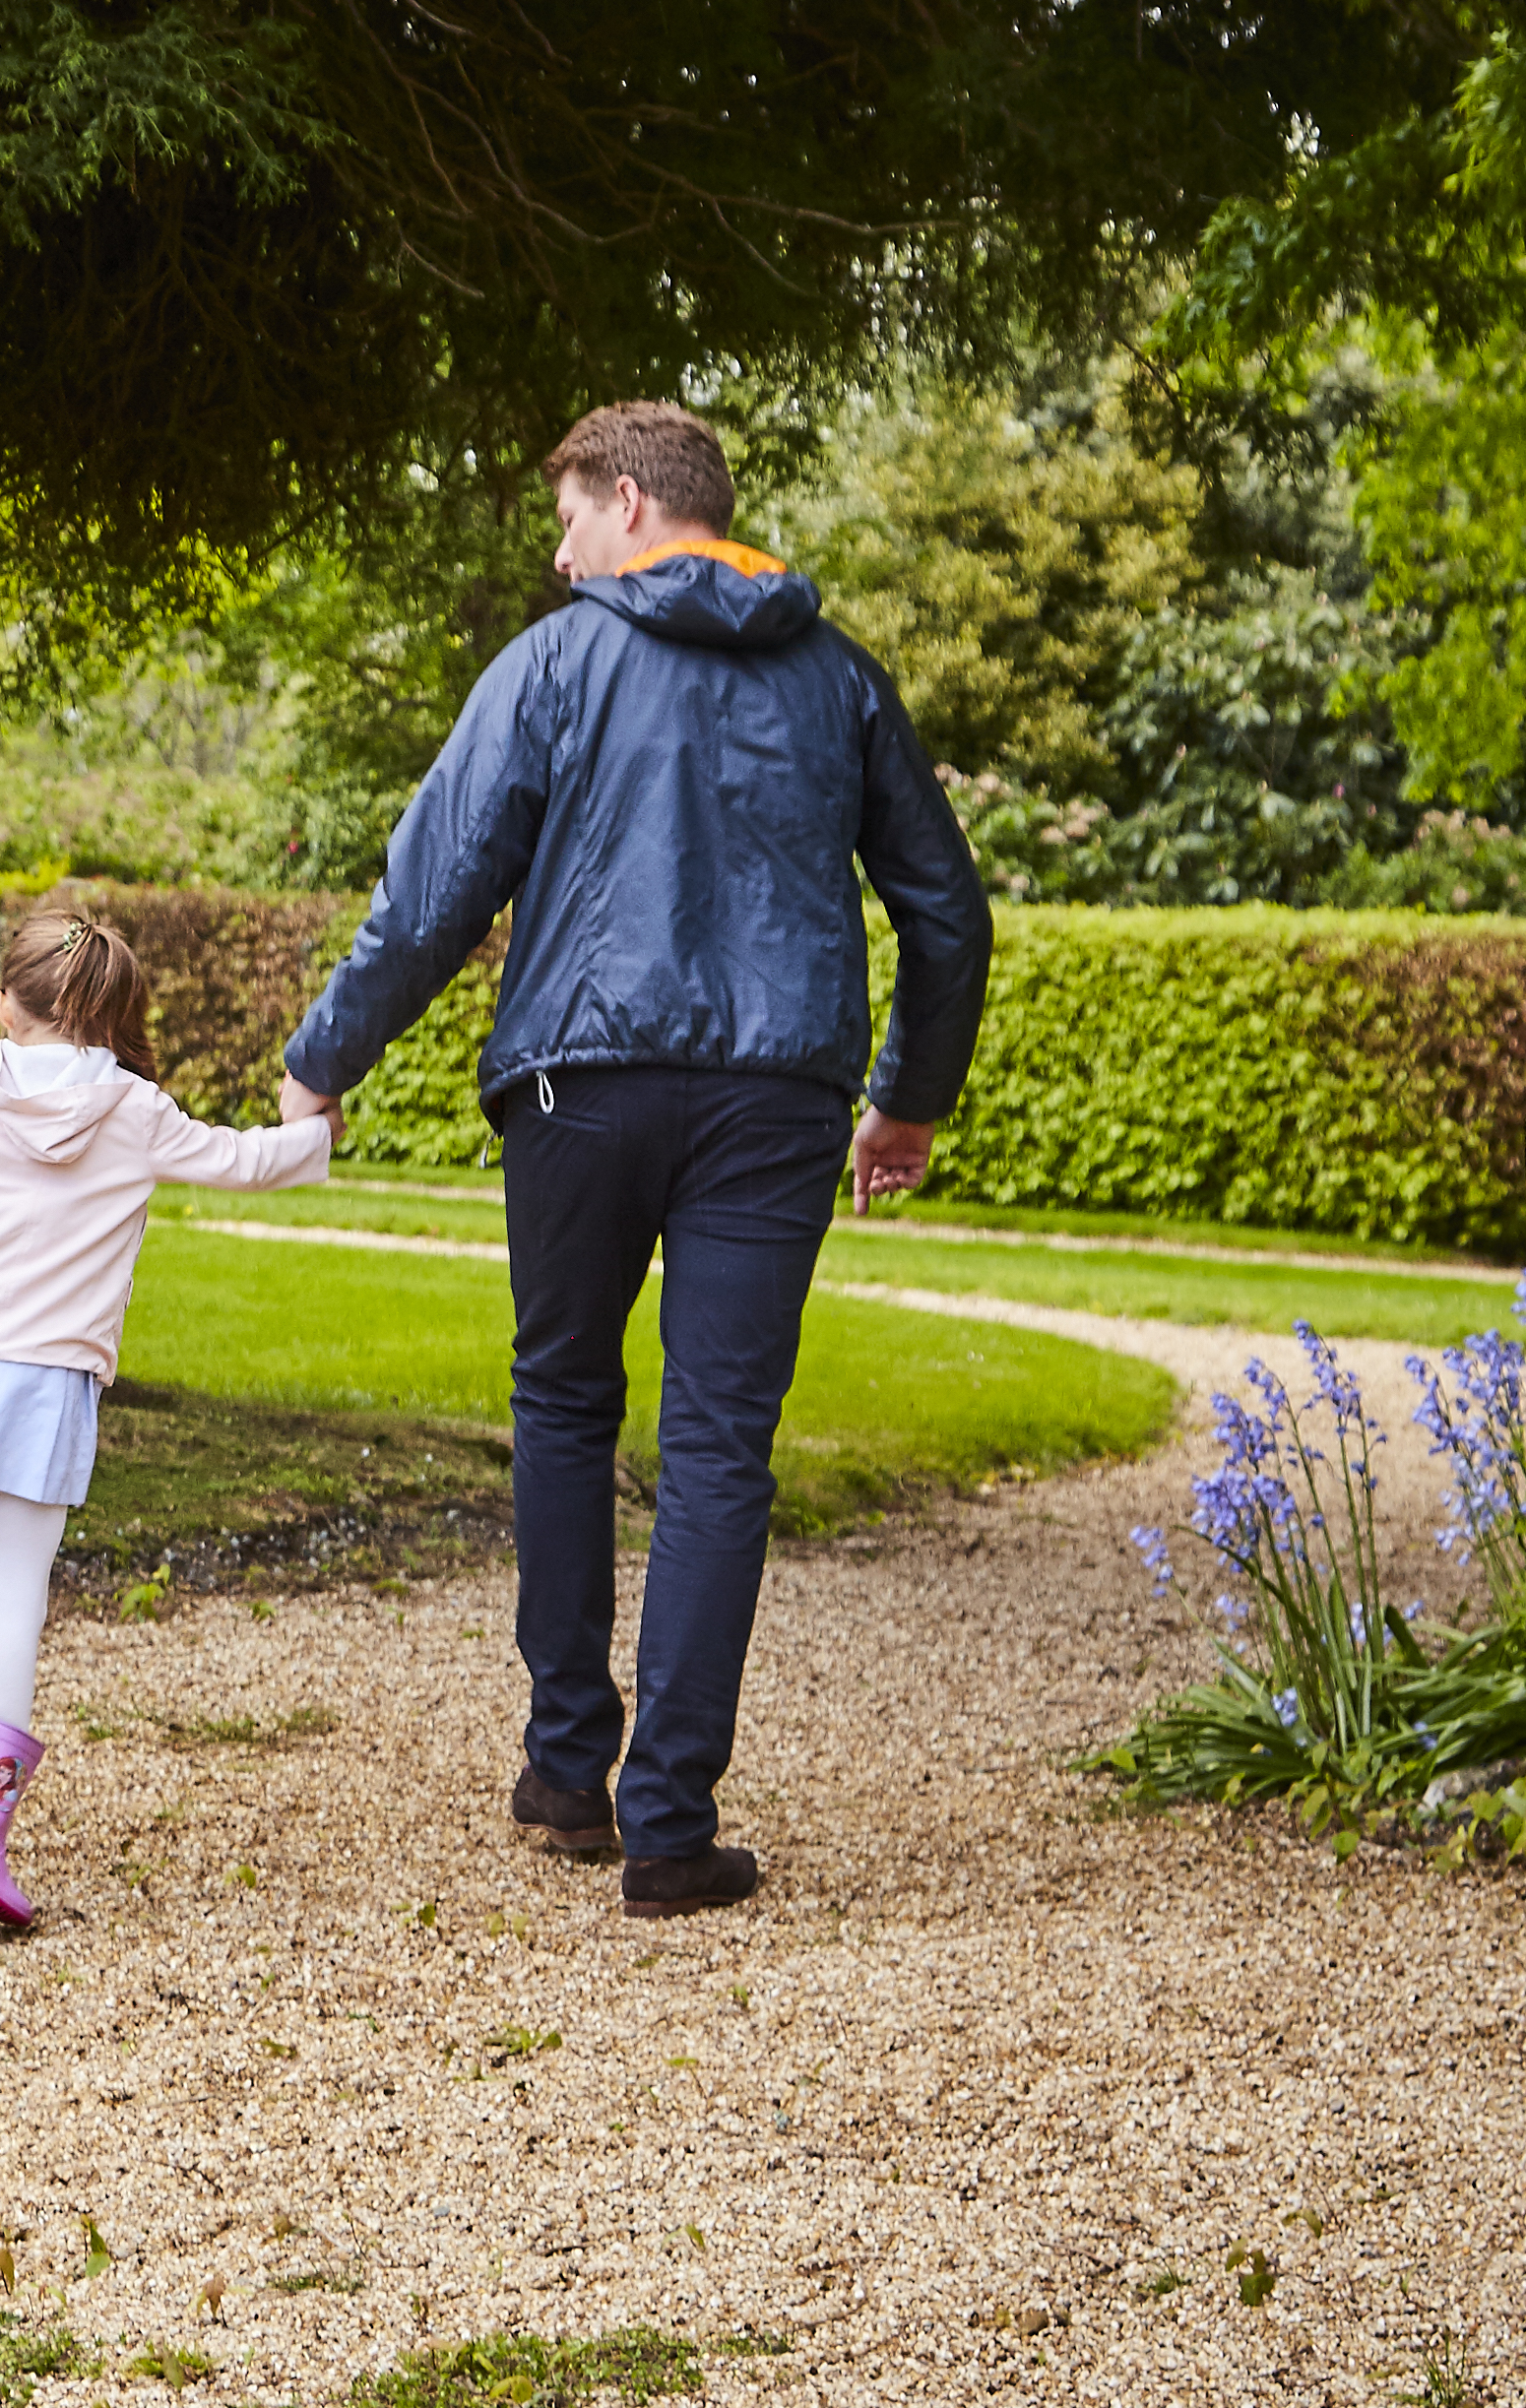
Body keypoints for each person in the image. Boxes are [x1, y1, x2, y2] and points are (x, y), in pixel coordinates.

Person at [273, 401, 987, 1922]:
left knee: (563, 1403)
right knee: (722, 1443)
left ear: (636, 503)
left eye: (573, 516)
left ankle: (562, 1768)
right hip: (777, 1101)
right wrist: (907, 1097)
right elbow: (947, 906)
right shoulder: (842, 681)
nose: (560, 549)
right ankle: (668, 1828)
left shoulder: (554, 664)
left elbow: (436, 889)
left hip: (578, 1086)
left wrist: (324, 1055)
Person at [0, 911, 339, 1927]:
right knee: (14, 1581)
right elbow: (240, 1161)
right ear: (105, 1015)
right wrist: (314, 1129)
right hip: (40, 1378)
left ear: (5, 1003)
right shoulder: (134, 1109)